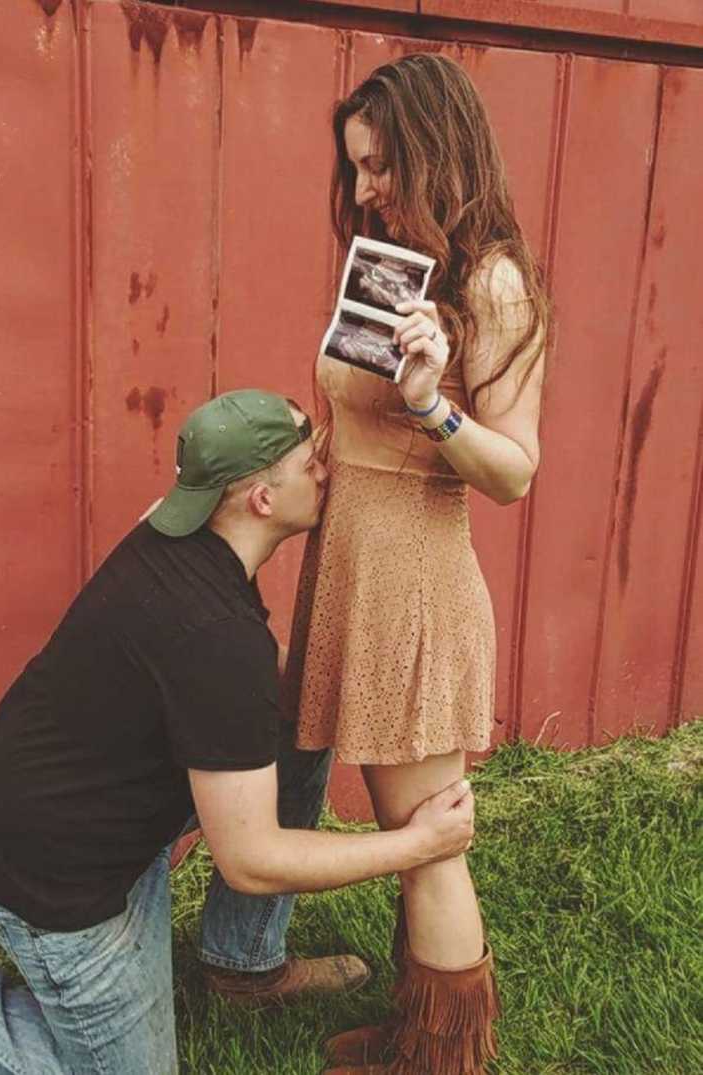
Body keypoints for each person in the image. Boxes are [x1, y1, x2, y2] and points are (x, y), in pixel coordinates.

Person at [0, 389, 476, 1075]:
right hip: (55, 881)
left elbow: (264, 690)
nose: (327, 471)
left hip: (87, 804)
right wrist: (413, 844)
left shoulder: (181, 525)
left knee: (298, 722)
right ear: (261, 501)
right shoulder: (215, 640)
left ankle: (243, 962)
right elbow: (251, 858)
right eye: (312, 463)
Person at [284, 54, 550, 1075]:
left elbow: (515, 472)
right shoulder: (396, 263)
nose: (364, 192)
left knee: (427, 836)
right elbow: (356, 409)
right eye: (355, 170)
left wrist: (437, 405)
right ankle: (414, 1031)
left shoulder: (492, 283)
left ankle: (446, 1061)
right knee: (407, 826)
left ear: (438, 148)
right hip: (353, 561)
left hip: (414, 584)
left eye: (381, 165)